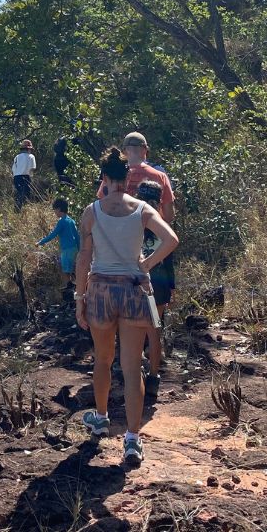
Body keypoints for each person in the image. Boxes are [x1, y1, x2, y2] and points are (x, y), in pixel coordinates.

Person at [75, 146, 178, 466]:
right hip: (134, 290)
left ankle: (102, 417)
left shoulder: (91, 211)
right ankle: (132, 440)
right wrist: (145, 264)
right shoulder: (143, 209)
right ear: (127, 176)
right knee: (133, 368)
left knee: (103, 361)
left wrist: (80, 298)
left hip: (102, 290)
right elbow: (171, 239)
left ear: (105, 178)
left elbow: (83, 258)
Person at [134, 180, 176, 397]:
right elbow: (169, 261)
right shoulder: (162, 225)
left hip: (135, 285)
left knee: (134, 329)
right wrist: (172, 287)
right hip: (158, 287)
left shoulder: (132, 223)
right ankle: (153, 376)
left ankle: (134, 371)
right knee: (154, 331)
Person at [96, 132, 175, 224]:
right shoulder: (160, 176)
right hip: (150, 232)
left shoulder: (113, 175)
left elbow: (101, 207)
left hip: (119, 230)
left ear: (124, 151)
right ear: (145, 150)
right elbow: (169, 215)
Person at [36, 198, 80, 290]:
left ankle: (69, 287)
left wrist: (41, 242)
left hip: (67, 249)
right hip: (74, 249)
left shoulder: (62, 221)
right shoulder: (71, 220)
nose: (54, 212)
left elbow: (53, 234)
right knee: (70, 269)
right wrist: (80, 249)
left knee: (64, 270)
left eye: (55, 210)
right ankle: (72, 285)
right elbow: (77, 236)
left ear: (59, 209)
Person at [11, 139, 36, 212]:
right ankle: (22, 211)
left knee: (18, 194)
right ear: (29, 149)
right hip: (26, 177)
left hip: (16, 178)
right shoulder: (31, 156)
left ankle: (16, 211)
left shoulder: (17, 157)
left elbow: (13, 169)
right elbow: (32, 168)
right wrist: (31, 178)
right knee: (25, 196)